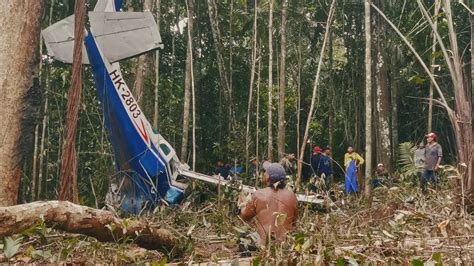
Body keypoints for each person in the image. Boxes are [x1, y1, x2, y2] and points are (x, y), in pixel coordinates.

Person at [239, 163, 298, 244]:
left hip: (264, 245)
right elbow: (294, 223)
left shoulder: (258, 194)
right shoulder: (292, 196)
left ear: (267, 177)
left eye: (265, 172)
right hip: (285, 245)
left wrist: (242, 202)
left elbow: (244, 217)